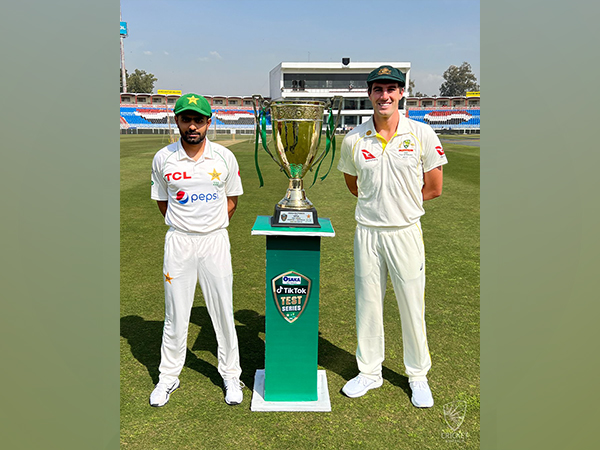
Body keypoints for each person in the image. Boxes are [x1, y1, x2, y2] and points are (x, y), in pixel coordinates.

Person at [337, 66, 448, 407]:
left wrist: (400, 206)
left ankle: (417, 375)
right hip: (368, 232)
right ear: (369, 94)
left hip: (405, 232)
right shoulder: (354, 139)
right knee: (367, 304)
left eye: (391, 89)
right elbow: (354, 185)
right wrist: (380, 206)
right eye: (378, 89)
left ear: (401, 92)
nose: (384, 95)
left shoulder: (422, 134)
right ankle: (369, 371)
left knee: (412, 306)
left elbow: (434, 188)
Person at [149, 93, 245, 407]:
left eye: (199, 120)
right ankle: (168, 376)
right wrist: (186, 225)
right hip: (178, 242)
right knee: (175, 312)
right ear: (177, 120)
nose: (193, 126)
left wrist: (208, 226)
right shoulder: (164, 158)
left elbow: (231, 201)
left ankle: (230, 373)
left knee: (222, 310)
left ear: (208, 123)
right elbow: (164, 203)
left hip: (215, 241)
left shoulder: (223, 157)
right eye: (186, 119)